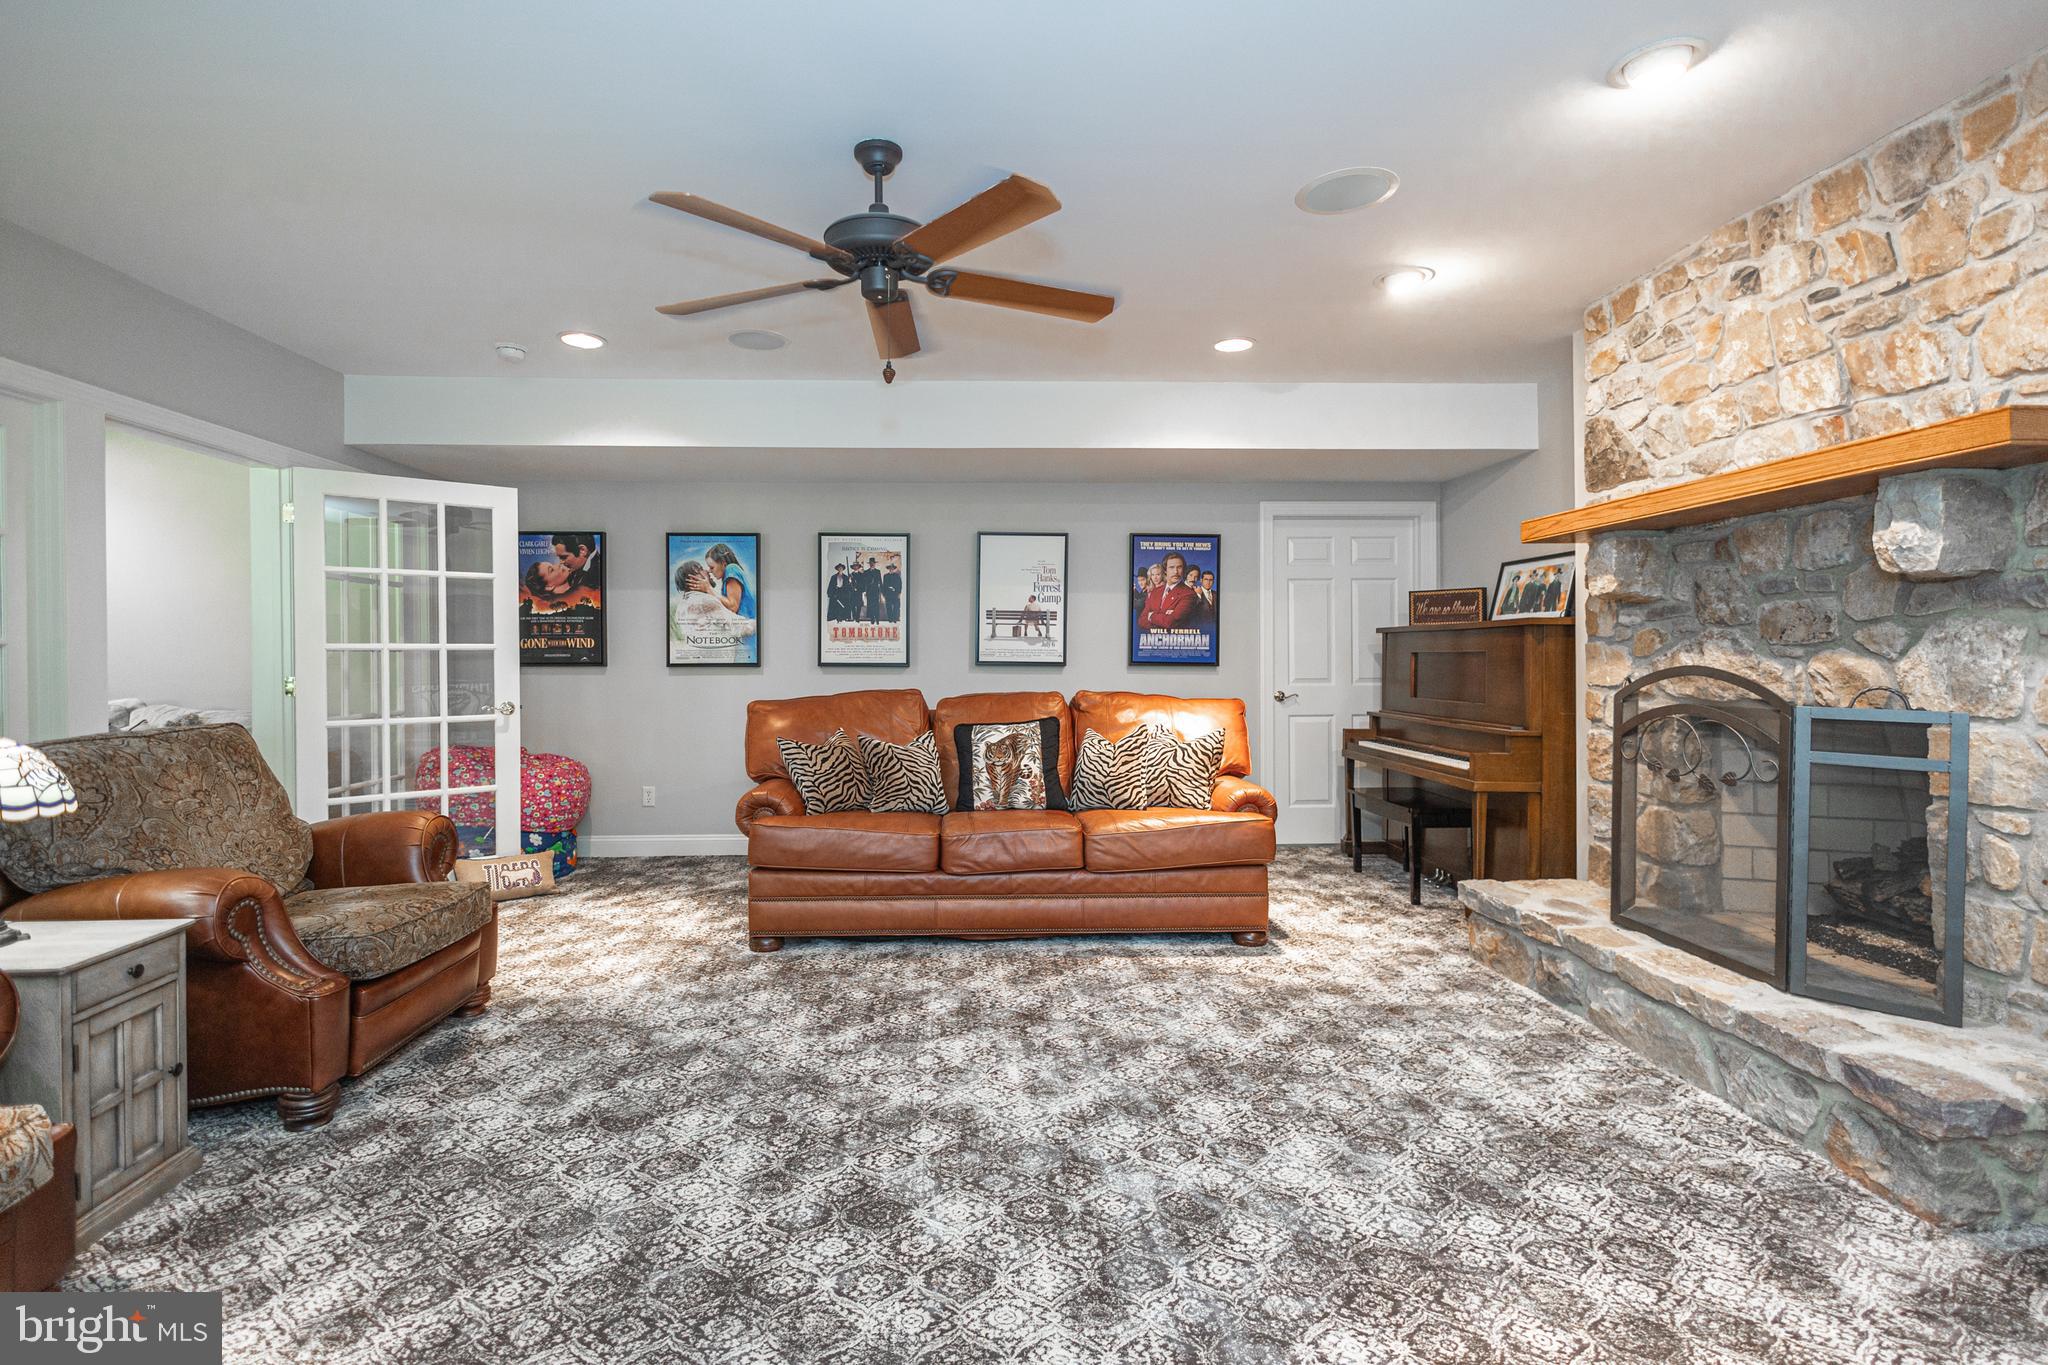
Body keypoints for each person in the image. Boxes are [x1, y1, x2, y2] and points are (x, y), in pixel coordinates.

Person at [1139, 551, 1195, 631]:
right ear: (1165, 570)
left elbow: (1171, 622)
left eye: (1179, 567)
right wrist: (1163, 618)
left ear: (1183, 570)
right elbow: (1142, 620)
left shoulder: (1189, 594)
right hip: (1153, 640)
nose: (1176, 572)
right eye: (1171, 567)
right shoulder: (1155, 592)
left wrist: (1151, 616)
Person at [700, 541, 754, 621]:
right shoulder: (729, 574)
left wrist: (708, 589)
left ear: (723, 564)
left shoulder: (731, 569)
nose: (710, 571)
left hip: (749, 627)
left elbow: (733, 607)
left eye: (712, 567)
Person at [881, 555, 902, 622]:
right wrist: (884, 594)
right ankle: (890, 619)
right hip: (888, 594)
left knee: (896, 607)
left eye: (892, 568)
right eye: (890, 568)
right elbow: (884, 585)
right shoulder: (885, 576)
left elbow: (900, 585)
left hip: (895, 594)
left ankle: (895, 619)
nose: (891, 569)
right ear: (888, 569)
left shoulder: (897, 576)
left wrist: (898, 592)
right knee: (889, 607)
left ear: (894, 569)